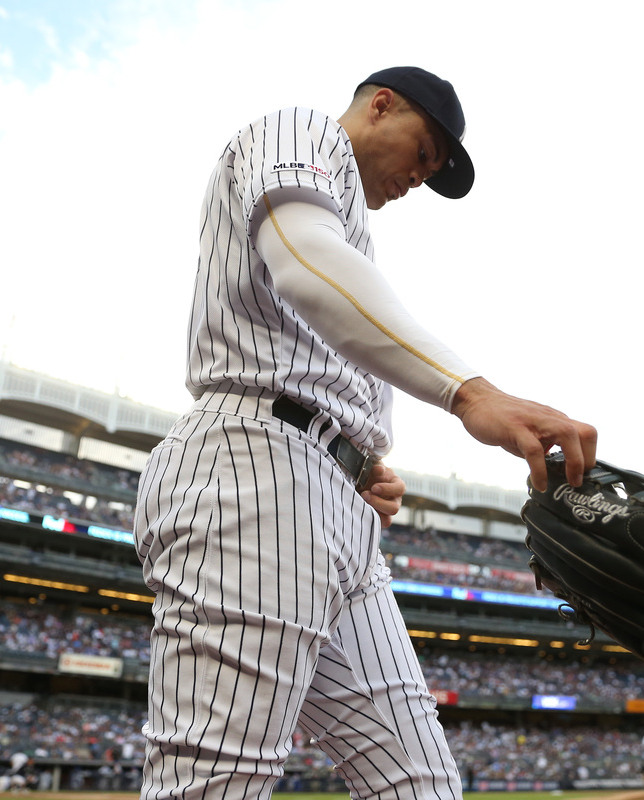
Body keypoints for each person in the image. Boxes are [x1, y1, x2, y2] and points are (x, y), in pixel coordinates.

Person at [132, 65, 598, 799]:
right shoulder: (299, 130)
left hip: (328, 502)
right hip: (254, 473)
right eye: (424, 152)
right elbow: (306, 264)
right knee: (215, 786)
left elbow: (324, 320)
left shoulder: (353, 228)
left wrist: (355, 462)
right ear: (381, 106)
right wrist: (469, 393)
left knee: (420, 786)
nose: (422, 176)